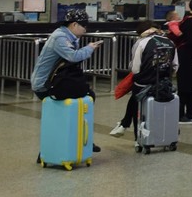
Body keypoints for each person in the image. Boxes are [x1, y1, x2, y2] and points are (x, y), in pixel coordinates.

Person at [31, 9, 100, 149]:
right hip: (45, 85)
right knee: (87, 96)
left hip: (56, 81)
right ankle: (81, 140)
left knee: (82, 100)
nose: (85, 29)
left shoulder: (69, 37)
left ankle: (79, 140)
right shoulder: (60, 37)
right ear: (74, 25)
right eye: (84, 26)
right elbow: (73, 57)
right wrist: (89, 48)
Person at [111, 22, 169, 136]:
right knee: (137, 99)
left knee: (136, 97)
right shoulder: (168, 42)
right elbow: (175, 65)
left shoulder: (140, 42)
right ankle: (125, 123)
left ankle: (129, 129)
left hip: (143, 80)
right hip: (163, 82)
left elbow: (135, 68)